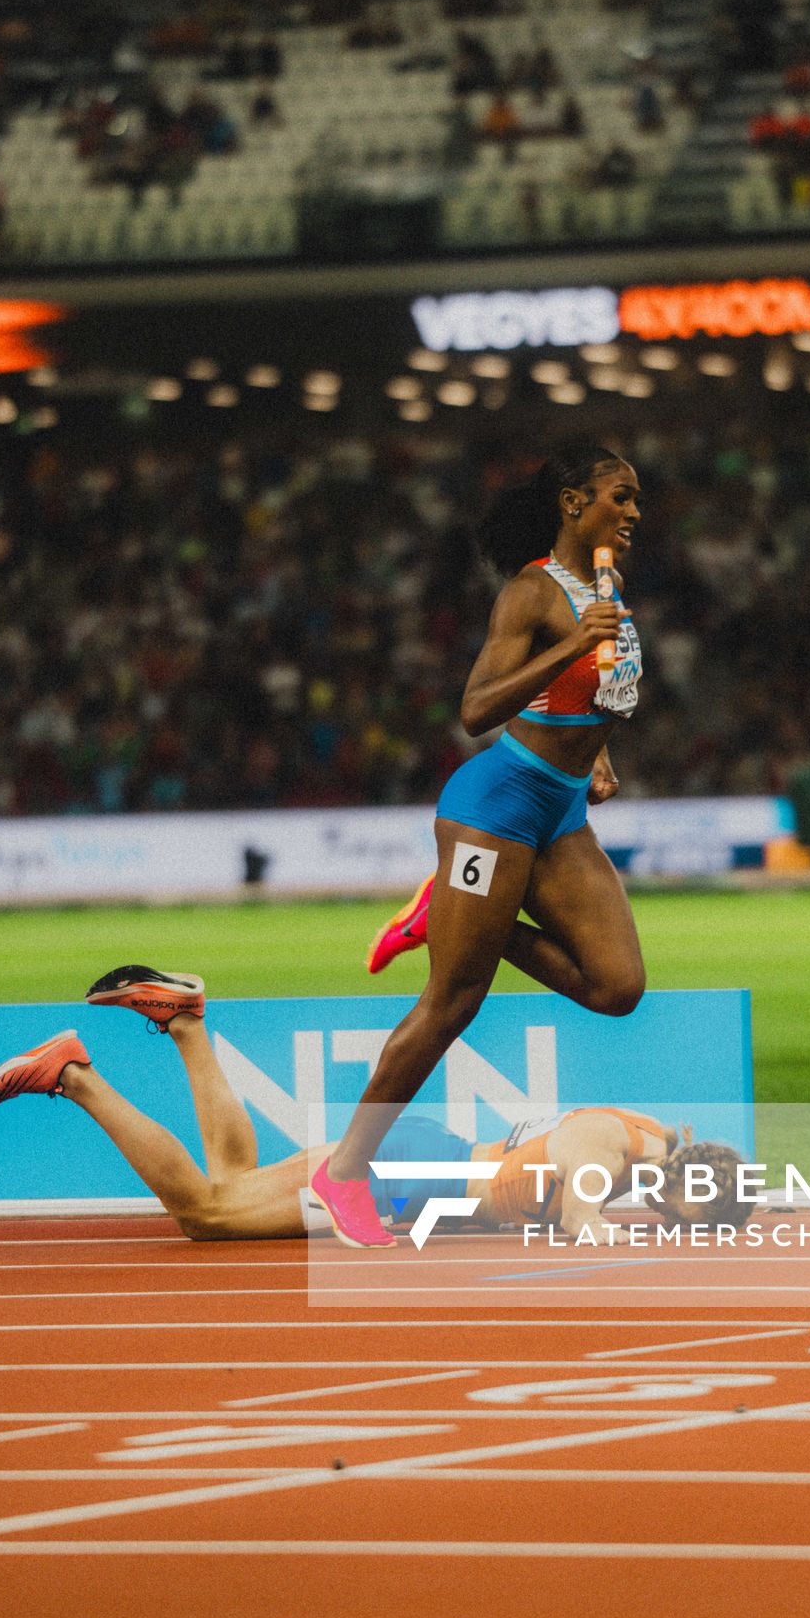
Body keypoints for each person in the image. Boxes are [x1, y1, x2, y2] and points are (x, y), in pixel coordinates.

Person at [317, 444, 647, 1244]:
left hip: (560, 812)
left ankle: (456, 913)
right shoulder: (531, 592)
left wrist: (597, 755)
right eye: (619, 496)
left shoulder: (606, 586)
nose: (634, 511)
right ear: (573, 503)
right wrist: (567, 645)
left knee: (617, 986)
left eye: (637, 499)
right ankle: (345, 1173)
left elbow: (591, 697)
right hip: (495, 807)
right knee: (452, 1002)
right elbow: (476, 708)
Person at [0, 967, 746, 1244]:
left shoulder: (649, 1142)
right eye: (687, 1218)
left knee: (231, 1175)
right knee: (206, 1214)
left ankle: (185, 1022)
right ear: (688, 1184)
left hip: (418, 1163)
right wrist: (601, 1230)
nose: (674, 1225)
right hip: (407, 1173)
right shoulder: (615, 1145)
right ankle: (74, 1076)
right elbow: (582, 1188)